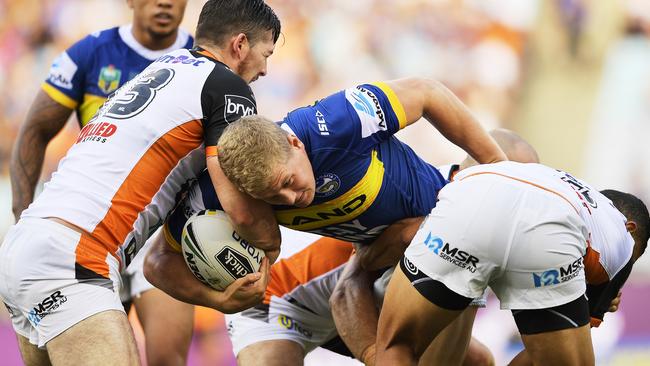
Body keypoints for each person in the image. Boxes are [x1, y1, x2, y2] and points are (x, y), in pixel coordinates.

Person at [146, 78, 508, 364]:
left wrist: (499, 165)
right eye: (272, 196)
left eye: (288, 183)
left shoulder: (336, 124)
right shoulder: (225, 188)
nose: (289, 199)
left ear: (296, 144)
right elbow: (157, 262)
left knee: (475, 359)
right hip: (274, 304)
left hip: (364, 278)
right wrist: (220, 299)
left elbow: (426, 90)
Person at [0, 1, 281, 365]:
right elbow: (239, 209)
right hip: (76, 254)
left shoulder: (163, 66)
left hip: (28, 243)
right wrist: (269, 252)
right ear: (240, 45)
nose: (265, 69)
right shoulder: (227, 88)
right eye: (265, 54)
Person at [10, 1, 194, 364]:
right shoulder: (90, 53)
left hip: (160, 234)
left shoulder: (201, 60)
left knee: (166, 358)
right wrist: (23, 214)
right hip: (88, 228)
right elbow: (34, 132)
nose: (165, 3)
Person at [373, 162, 649, 365]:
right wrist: (594, 306)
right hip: (550, 230)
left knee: (398, 344)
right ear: (631, 227)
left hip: (471, 193)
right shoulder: (621, 234)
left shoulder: (564, 184)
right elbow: (546, 352)